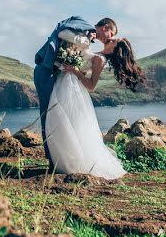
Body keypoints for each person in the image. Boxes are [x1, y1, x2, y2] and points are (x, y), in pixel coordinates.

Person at [44, 36, 145, 179]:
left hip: (74, 91)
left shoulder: (100, 59)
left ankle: (72, 163)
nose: (112, 38)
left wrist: (75, 71)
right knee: (62, 123)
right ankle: (63, 161)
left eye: (115, 41)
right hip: (66, 85)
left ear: (115, 49)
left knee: (66, 123)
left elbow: (91, 86)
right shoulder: (98, 54)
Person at [33, 16, 117, 165]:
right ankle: (53, 159)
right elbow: (61, 33)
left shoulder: (93, 47)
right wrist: (86, 40)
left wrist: (77, 70)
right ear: (105, 28)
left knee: (55, 118)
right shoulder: (84, 29)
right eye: (111, 34)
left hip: (60, 79)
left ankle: (55, 159)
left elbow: (83, 67)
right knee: (48, 115)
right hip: (47, 73)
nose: (110, 38)